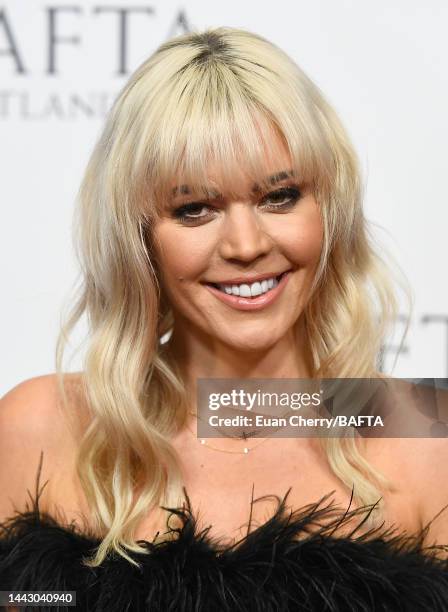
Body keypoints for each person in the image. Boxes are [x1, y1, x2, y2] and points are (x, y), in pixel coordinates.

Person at [1, 27, 448, 611]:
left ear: (329, 209)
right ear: (139, 238)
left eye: (279, 196)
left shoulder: (425, 439)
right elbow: (27, 601)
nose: (244, 244)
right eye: (194, 209)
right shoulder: (39, 430)